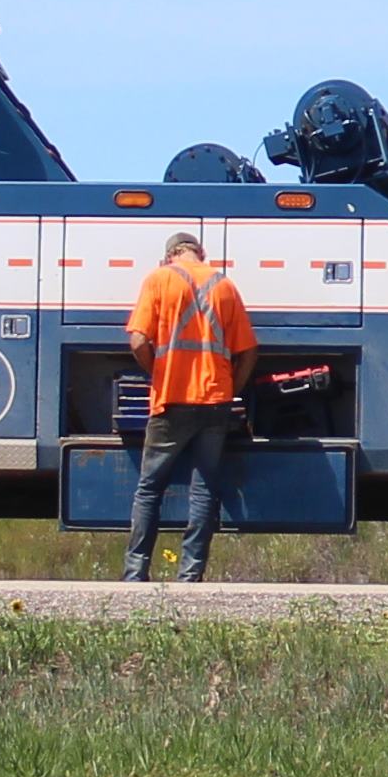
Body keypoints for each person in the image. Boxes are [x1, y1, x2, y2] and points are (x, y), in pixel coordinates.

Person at [123, 232, 255, 582]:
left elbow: (138, 340)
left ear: (168, 256)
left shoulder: (159, 279)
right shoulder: (224, 285)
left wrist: (159, 372)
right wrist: (230, 389)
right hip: (215, 400)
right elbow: (249, 351)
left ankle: (136, 573)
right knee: (204, 488)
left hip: (171, 399)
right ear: (201, 253)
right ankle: (190, 576)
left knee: (150, 486)